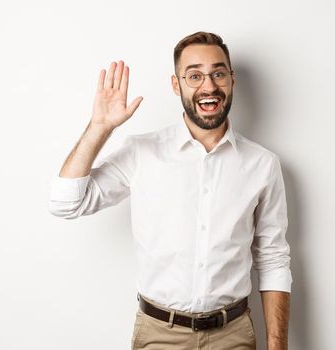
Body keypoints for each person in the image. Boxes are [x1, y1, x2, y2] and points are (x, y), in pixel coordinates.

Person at [47, 32, 291, 350]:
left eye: (218, 73)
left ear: (231, 80)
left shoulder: (262, 164)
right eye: (194, 76)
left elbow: (272, 258)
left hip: (233, 336)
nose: (209, 86)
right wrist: (100, 128)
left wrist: (277, 345)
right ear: (176, 85)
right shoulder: (141, 152)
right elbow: (65, 203)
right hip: (159, 335)